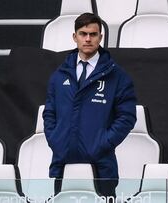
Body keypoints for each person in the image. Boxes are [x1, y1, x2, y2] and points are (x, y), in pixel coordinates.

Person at [42, 12, 137, 198]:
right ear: (74, 37)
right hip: (63, 161)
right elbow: (49, 113)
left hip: (101, 165)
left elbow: (127, 117)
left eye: (93, 34)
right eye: (83, 33)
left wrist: (103, 143)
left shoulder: (117, 76)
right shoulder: (59, 76)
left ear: (100, 37)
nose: (87, 39)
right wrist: (56, 140)